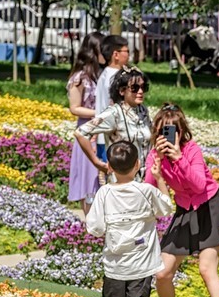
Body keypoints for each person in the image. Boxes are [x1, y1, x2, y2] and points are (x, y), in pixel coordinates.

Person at [84, 140, 174, 297]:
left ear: (109, 167)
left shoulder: (104, 193)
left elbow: (95, 228)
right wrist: (159, 179)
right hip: (141, 263)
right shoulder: (146, 191)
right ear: (138, 164)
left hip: (114, 263)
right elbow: (166, 208)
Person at [143, 102, 219, 297]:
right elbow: (148, 188)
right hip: (184, 210)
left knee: (206, 268)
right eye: (162, 130)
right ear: (156, 132)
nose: (167, 136)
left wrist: (179, 158)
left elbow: (200, 185)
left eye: (173, 130)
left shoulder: (191, 150)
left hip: (209, 206)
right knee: (162, 273)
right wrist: (158, 163)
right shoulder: (154, 155)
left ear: (181, 131)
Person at [74, 68, 153, 182]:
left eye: (143, 87)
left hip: (144, 181)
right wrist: (97, 163)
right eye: (134, 88)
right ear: (122, 91)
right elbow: (80, 133)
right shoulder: (114, 113)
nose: (140, 91)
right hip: (121, 182)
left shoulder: (143, 111)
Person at [65, 31, 105, 215]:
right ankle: (90, 219)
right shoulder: (80, 78)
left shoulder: (101, 76)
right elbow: (74, 108)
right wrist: (100, 112)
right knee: (89, 180)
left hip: (102, 130)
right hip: (87, 132)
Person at [93, 35, 130, 165]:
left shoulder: (105, 74)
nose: (129, 55)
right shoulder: (115, 77)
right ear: (116, 54)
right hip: (115, 137)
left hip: (104, 135)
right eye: (126, 51)